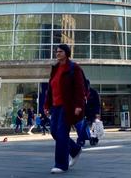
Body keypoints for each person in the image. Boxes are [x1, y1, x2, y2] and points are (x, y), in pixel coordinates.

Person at [44, 44, 86, 174]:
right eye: (56, 52)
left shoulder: (74, 68)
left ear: (66, 53)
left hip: (67, 106)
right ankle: (75, 149)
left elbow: (80, 88)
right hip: (55, 106)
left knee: (62, 133)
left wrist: (78, 105)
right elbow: (51, 89)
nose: (57, 53)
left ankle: (61, 165)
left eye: (60, 51)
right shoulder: (55, 68)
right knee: (54, 132)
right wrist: (46, 105)